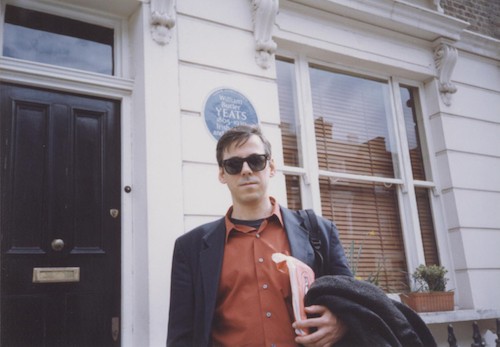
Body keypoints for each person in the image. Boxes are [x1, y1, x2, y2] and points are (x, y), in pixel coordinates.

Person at [167, 125, 352, 347]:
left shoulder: (320, 232)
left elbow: (354, 301)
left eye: (256, 161)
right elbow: (182, 334)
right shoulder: (190, 248)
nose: (246, 170)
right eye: (234, 165)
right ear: (222, 174)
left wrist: (341, 322)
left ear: (271, 167)